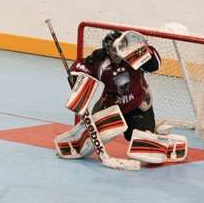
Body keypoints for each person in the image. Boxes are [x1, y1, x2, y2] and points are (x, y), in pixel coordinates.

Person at [55, 30, 188, 165]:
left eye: (117, 48)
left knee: (136, 138)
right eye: (111, 50)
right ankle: (80, 138)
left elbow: (155, 64)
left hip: (138, 105)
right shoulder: (100, 60)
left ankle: (157, 136)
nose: (115, 53)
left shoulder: (133, 55)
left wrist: (143, 50)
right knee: (96, 133)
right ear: (106, 50)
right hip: (111, 106)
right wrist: (75, 77)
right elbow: (78, 67)